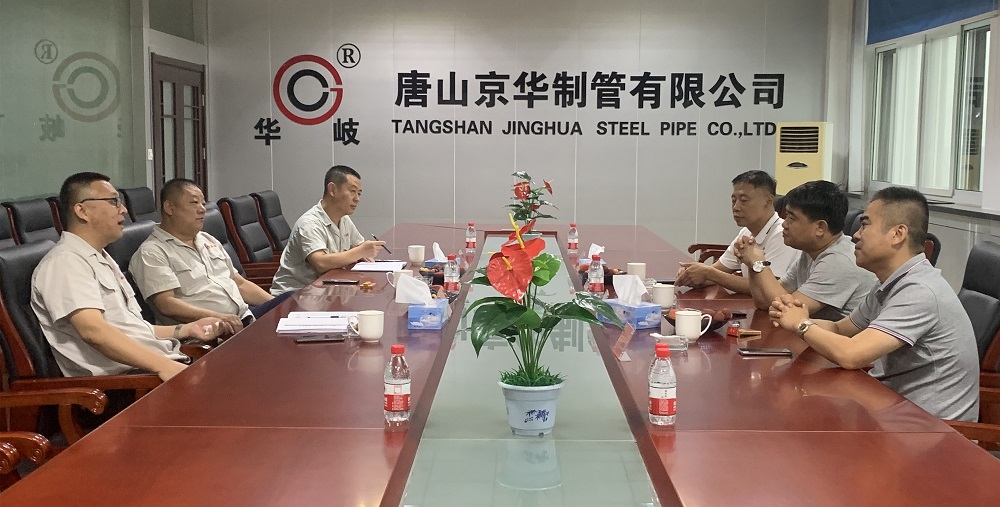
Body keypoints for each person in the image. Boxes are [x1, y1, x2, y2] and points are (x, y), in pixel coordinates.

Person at [769, 187, 979, 421]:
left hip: (930, 431)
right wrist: (795, 315)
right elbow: (840, 329)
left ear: (897, 234)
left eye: (865, 225)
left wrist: (802, 325)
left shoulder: (920, 292)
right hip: (891, 410)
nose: (855, 235)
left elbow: (851, 355)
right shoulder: (890, 283)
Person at [31, 172, 231, 382]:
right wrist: (164, 366)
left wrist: (186, 329)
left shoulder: (100, 257)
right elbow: (93, 331)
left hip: (156, 365)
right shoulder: (66, 262)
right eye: (113, 201)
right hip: (129, 382)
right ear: (82, 211)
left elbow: (133, 329)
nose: (123, 209)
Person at [129, 178, 286, 332]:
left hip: (245, 317)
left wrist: (277, 306)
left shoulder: (207, 239)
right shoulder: (152, 252)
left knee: (290, 300)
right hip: (214, 331)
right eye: (194, 202)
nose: (202, 209)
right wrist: (219, 318)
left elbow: (240, 284)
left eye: (203, 203)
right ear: (170, 208)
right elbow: (166, 304)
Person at [735, 180, 876, 320]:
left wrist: (759, 263)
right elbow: (764, 303)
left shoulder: (839, 261)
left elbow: (787, 310)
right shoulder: (810, 252)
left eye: (791, 218)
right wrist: (752, 265)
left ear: (820, 227)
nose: (784, 224)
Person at [676, 170, 795, 294]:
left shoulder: (782, 234)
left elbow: (771, 289)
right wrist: (691, 275)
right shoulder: (746, 232)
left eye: (744, 200)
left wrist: (709, 273)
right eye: (734, 200)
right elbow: (718, 270)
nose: (736, 207)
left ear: (769, 201)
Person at [270, 165, 384, 294]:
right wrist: (360, 252)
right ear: (332, 189)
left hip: (326, 290)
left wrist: (363, 253)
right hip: (294, 295)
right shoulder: (309, 223)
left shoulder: (344, 219)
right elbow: (320, 263)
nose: (357, 199)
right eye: (352, 191)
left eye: (359, 193)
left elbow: (358, 245)